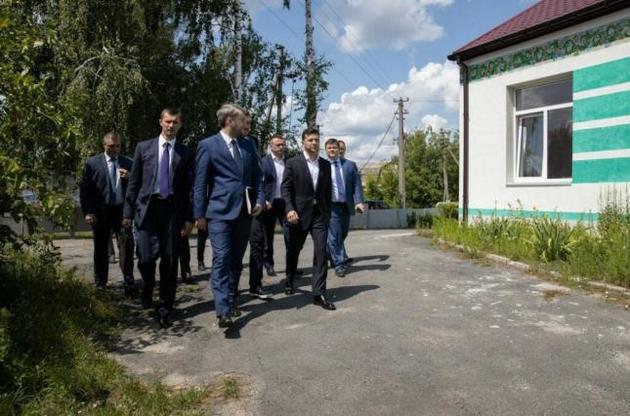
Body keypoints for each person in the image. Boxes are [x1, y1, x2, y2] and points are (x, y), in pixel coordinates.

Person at [194, 103, 264, 328]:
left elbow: (258, 177)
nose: (246, 124)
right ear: (230, 121)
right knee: (222, 258)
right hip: (219, 213)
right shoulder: (207, 145)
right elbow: (200, 183)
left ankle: (231, 298)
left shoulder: (248, 144)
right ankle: (223, 310)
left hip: (244, 212)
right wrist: (199, 214)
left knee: (235, 260)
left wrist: (260, 200)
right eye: (242, 119)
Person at [122, 108, 194, 328]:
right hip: (147, 210)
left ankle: (164, 307)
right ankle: (148, 287)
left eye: (175, 122)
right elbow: (134, 182)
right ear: (160, 122)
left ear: (180, 125)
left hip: (172, 212)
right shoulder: (144, 148)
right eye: (168, 121)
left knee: (170, 261)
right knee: (145, 258)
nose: (171, 126)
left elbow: (189, 188)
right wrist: (127, 213)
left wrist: (189, 218)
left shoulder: (185, 152)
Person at [282, 127, 335, 310]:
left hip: (319, 215)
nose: (314, 143)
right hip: (298, 215)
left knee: (321, 252)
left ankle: (319, 293)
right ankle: (289, 279)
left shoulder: (325, 165)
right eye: (311, 140)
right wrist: (289, 209)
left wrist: (327, 212)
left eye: (317, 140)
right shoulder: (293, 163)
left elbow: (327, 190)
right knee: (294, 250)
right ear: (303, 142)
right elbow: (286, 188)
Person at [80, 132, 136, 294]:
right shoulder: (92, 163)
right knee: (101, 249)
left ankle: (129, 283)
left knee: (126, 247)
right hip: (101, 212)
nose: (115, 149)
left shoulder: (128, 163)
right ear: (104, 145)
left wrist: (130, 177)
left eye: (118, 146)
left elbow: (137, 187)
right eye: (111, 146)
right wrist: (88, 212)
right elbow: (85, 190)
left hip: (122, 212)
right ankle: (100, 284)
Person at [248, 134, 288, 299]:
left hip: (284, 203)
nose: (281, 147)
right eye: (278, 145)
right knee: (267, 236)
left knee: (290, 234)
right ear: (271, 146)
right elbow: (260, 184)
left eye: (283, 144)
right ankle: (268, 264)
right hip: (268, 204)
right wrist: (263, 200)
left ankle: (291, 266)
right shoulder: (263, 162)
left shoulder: (288, 162)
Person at [325, 139, 366, 277]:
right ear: (326, 150)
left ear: (339, 150)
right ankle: (339, 264)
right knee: (335, 234)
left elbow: (356, 185)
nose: (332, 150)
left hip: (346, 205)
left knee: (343, 233)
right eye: (329, 148)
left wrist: (358, 202)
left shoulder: (350, 165)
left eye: (334, 147)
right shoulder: (322, 165)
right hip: (331, 206)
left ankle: (329, 252)